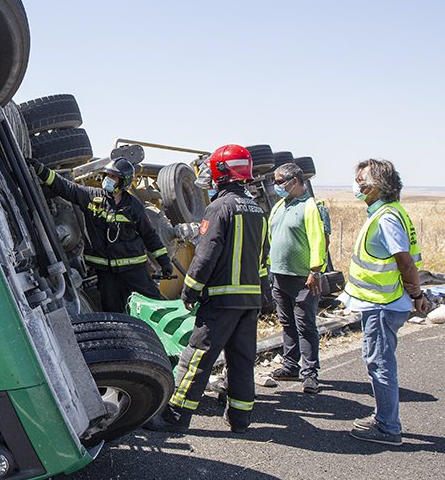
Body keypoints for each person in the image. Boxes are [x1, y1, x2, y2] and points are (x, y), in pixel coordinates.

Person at [145, 144, 270, 433]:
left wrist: (189, 291)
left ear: (221, 174)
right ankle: (240, 419)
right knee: (241, 361)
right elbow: (264, 257)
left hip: (222, 301)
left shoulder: (219, 208)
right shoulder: (258, 211)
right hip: (249, 301)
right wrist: (260, 294)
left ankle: (175, 417)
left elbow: (206, 254)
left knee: (196, 358)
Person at [342, 158, 430, 445]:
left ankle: (388, 427)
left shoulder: (387, 218)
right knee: (378, 361)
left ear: (376, 187)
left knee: (380, 364)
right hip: (383, 302)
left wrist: (417, 295)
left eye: (361, 181)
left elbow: (405, 263)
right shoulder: (389, 212)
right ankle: (383, 416)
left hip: (384, 304)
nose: (357, 185)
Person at [26, 156, 172, 312]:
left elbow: (150, 236)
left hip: (134, 270)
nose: (108, 179)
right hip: (106, 274)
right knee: (113, 311)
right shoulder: (92, 197)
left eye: (113, 177)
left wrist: (164, 262)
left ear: (123, 182)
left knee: (154, 306)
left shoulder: (134, 207)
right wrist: (42, 170)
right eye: (107, 175)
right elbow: (66, 187)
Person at [266, 162, 327, 393]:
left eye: (279, 181)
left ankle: (310, 373)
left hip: (303, 278)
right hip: (279, 275)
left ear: (294, 181)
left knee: (305, 325)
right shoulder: (279, 205)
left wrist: (315, 271)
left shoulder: (311, 206)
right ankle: (290, 366)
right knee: (287, 323)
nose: (276, 185)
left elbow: (318, 240)